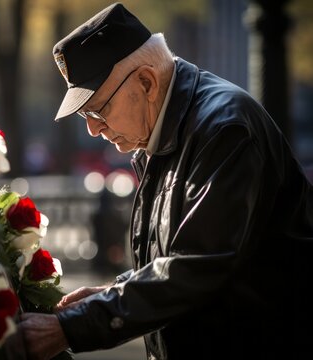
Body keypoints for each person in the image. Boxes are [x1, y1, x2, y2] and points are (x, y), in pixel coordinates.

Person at [19, 2, 313, 359]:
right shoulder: (169, 129)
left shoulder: (224, 128)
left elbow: (196, 266)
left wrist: (75, 325)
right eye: (85, 114)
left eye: (98, 110)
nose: (93, 129)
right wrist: (114, 291)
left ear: (146, 82)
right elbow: (178, 262)